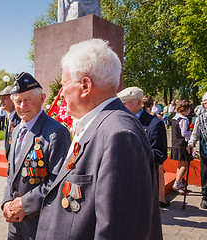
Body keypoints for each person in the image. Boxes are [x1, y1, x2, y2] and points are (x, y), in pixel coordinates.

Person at [36, 39, 162, 240]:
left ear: (85, 86)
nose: (61, 95)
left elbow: (120, 233)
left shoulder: (119, 136)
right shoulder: (99, 125)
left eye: (64, 84)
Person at [2, 72, 71, 240]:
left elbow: (58, 181)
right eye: (18, 101)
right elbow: (12, 172)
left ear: (42, 99)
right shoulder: (17, 129)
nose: (22, 106)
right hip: (14, 225)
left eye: (28, 100)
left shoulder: (56, 132)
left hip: (38, 224)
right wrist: (6, 202)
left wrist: (25, 205)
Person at [117, 87, 169, 208]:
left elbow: (160, 154)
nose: (121, 107)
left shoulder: (155, 124)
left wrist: (133, 152)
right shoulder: (121, 120)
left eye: (125, 103)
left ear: (139, 103)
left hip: (143, 182)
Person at [187, 92, 207, 209]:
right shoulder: (201, 118)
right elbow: (195, 134)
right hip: (205, 151)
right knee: (205, 175)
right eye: (205, 103)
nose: (206, 105)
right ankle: (205, 197)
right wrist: (191, 143)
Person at [170, 100, 192, 194]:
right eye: (189, 109)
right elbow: (184, 133)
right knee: (185, 165)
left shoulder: (175, 118)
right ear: (185, 109)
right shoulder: (184, 119)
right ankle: (177, 183)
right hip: (182, 144)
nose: (190, 111)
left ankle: (180, 185)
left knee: (180, 165)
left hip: (175, 143)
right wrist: (191, 132)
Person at [0, 85, 21, 159]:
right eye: (1, 99)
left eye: (4, 99)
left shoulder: (19, 119)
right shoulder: (12, 117)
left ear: (13, 99)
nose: (1, 102)